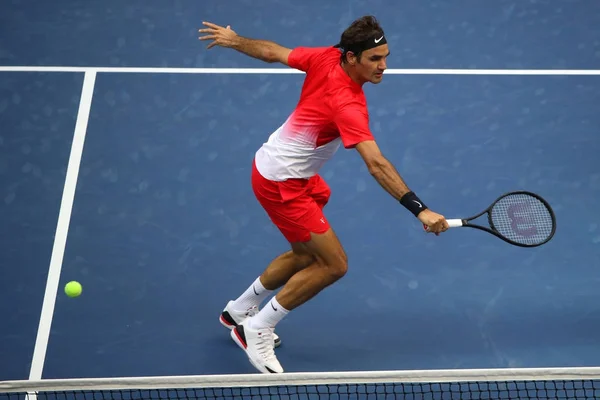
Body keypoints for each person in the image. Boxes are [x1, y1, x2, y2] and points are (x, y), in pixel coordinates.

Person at [198, 15, 449, 374]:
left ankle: (238, 311)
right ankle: (257, 329)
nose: (384, 66)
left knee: (305, 254)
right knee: (333, 265)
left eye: (386, 56)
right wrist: (420, 210)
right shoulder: (347, 103)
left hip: (281, 170)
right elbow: (376, 164)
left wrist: (234, 40)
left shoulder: (326, 57)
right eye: (375, 59)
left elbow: (273, 52)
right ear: (350, 58)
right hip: (282, 184)